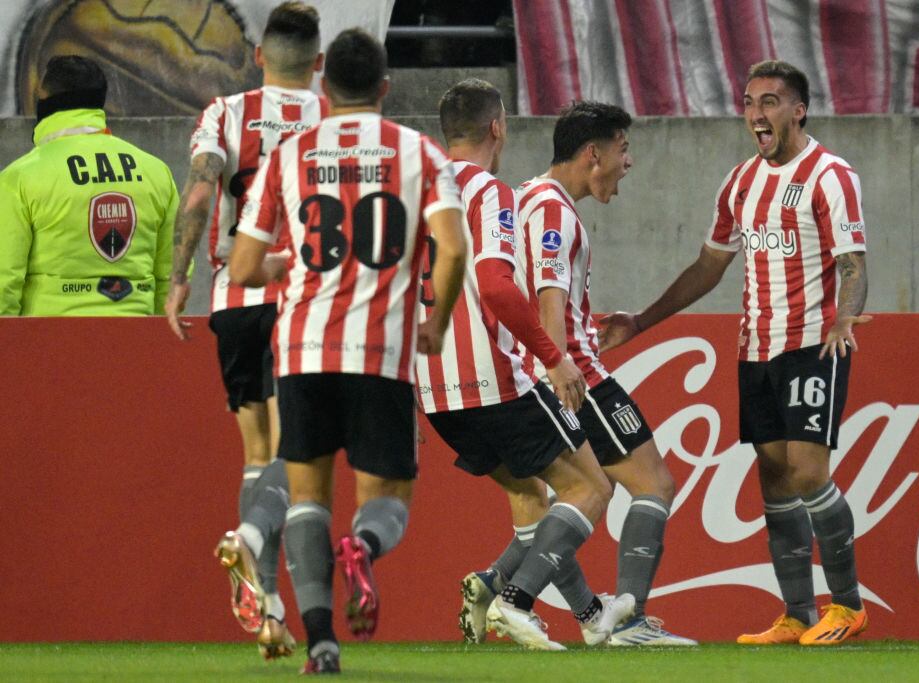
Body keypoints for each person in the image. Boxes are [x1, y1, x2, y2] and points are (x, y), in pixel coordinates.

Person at [599, 60, 871, 646]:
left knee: (808, 470)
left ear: (798, 110)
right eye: (749, 102)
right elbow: (709, 266)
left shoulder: (830, 175)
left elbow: (853, 262)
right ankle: (797, 613)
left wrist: (845, 315)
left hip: (812, 343)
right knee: (773, 476)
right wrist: (642, 321)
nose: (756, 114)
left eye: (769, 102)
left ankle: (847, 606)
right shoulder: (741, 182)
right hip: (756, 348)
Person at [229, 27, 466, 674]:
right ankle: (361, 545)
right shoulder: (418, 153)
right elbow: (454, 247)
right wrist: (437, 323)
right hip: (380, 353)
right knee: (389, 498)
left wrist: (288, 264)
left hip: (302, 350)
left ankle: (321, 642)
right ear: (386, 88)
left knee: (307, 497)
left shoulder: (290, 154)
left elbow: (243, 263)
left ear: (322, 86)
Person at [417, 79, 630, 650]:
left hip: (436, 393)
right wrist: (554, 356)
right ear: (497, 127)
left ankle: (565, 606)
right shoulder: (491, 193)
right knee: (593, 487)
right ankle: (516, 601)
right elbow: (497, 288)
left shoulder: (414, 194)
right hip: (496, 382)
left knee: (535, 501)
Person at [162, 1, 328, 659]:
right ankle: (253, 542)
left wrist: (179, 279)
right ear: (318, 64)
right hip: (305, 297)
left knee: (258, 452)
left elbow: (201, 193)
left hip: (235, 295)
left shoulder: (224, 113)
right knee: (300, 454)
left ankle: (270, 607)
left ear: (258, 56)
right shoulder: (334, 119)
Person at [506, 101, 695, 647]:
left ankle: (509, 591)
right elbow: (547, 294)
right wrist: (557, 364)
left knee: (566, 499)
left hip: (546, 370)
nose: (628, 161)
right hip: (576, 376)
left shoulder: (526, 197)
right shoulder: (553, 209)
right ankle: (618, 619)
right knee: (652, 483)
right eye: (623, 148)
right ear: (594, 153)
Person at [0, 55, 177, 316]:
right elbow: (172, 275)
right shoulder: (156, 172)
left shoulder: (20, 177)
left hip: (49, 345)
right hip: (137, 342)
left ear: (45, 97)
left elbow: (4, 280)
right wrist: (160, 341)